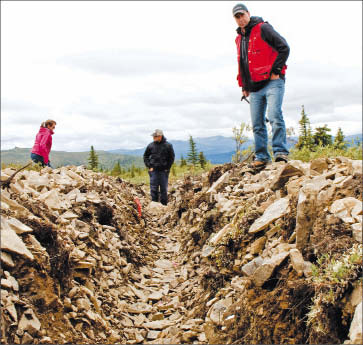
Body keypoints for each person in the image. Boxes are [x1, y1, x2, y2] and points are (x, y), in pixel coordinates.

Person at [233, 3, 290, 169]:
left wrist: (277, 69)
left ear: (248, 14)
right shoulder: (239, 38)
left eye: (242, 15)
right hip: (254, 86)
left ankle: (280, 153)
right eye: (237, 17)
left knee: (274, 116)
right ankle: (262, 157)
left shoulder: (263, 28)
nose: (241, 19)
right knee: (257, 123)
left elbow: (284, 47)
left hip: (273, 82)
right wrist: (244, 85)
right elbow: (243, 62)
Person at [143, 129, 175, 205]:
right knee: (153, 189)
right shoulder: (151, 145)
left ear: (160, 136)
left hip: (164, 171)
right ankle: (154, 205)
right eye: (153, 136)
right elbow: (145, 156)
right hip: (153, 171)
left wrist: (167, 168)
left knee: (163, 189)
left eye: (155, 136)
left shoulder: (168, 145)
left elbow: (171, 157)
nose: (153, 138)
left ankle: (164, 205)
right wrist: (149, 166)